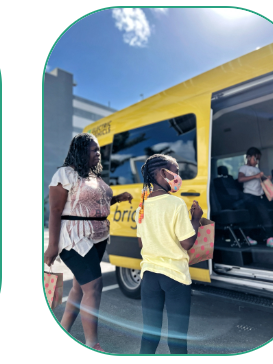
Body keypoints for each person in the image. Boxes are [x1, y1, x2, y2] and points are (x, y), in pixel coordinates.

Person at [48, 133, 127, 350]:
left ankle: (62, 331)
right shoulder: (65, 174)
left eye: (98, 150)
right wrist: (52, 245)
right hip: (75, 238)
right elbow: (55, 210)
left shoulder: (93, 176)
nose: (98, 153)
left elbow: (98, 198)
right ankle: (92, 344)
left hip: (99, 237)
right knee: (94, 287)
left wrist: (118, 198)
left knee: (79, 288)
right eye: (94, 150)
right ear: (81, 151)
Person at [136, 154, 207, 354]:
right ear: (162, 173)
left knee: (149, 335)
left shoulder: (141, 207)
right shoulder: (175, 204)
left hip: (149, 276)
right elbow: (187, 243)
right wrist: (196, 219)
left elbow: (141, 244)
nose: (178, 176)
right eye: (175, 171)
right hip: (175, 277)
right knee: (177, 339)